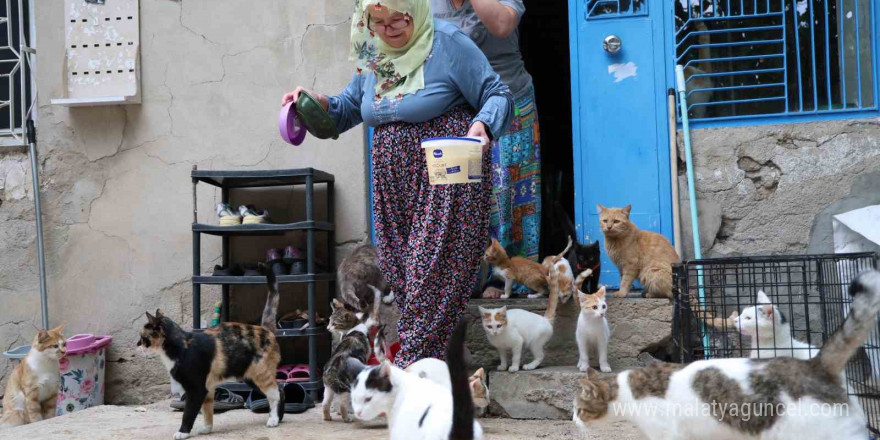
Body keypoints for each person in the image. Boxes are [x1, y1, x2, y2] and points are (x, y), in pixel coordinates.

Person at [282, 0, 513, 368]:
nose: (388, 29)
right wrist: (314, 104)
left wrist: (482, 125)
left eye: (398, 19)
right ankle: (440, 370)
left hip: (446, 177)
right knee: (405, 278)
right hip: (394, 187)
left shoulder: (448, 43)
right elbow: (347, 110)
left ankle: (410, 369)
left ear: (417, 11)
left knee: (429, 272)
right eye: (378, 22)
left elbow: (498, 93)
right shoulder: (374, 51)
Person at [432, 0, 540, 296]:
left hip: (508, 99)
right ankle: (461, 278)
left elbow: (503, 24)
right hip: (453, 103)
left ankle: (505, 276)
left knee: (507, 195)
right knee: (459, 193)